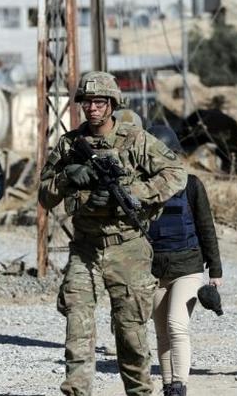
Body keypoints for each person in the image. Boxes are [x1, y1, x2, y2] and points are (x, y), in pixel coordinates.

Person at [38, 71, 187, 396]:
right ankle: (77, 391)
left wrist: (137, 193)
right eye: (87, 102)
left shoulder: (135, 139)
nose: (92, 108)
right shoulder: (69, 145)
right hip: (85, 248)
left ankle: (139, 392)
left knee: (130, 333)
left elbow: (177, 173)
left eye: (99, 102)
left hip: (128, 248)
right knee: (77, 326)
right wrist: (67, 179)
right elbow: (44, 196)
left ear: (112, 104)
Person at [146, 124, 223, 396]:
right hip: (154, 270)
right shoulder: (142, 189)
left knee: (176, 325)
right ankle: (169, 386)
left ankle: (180, 384)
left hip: (187, 267)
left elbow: (206, 228)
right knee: (161, 332)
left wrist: (215, 271)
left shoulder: (191, 185)